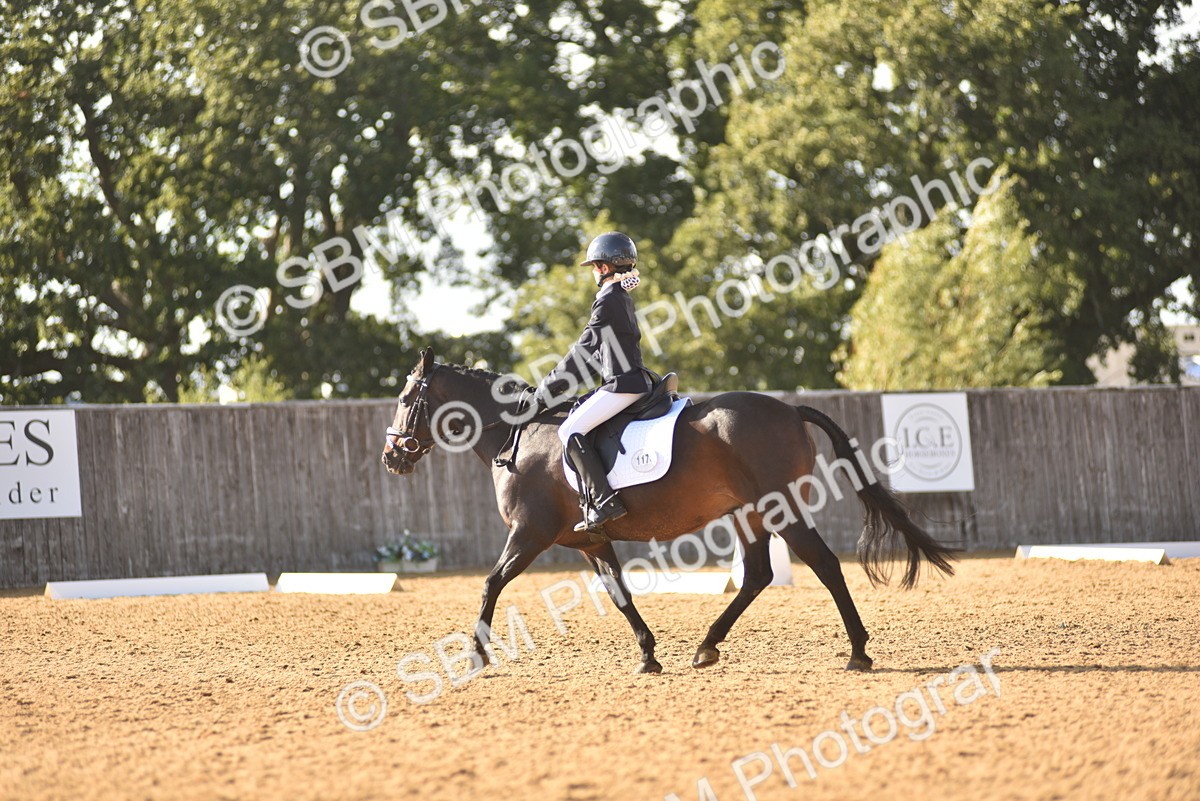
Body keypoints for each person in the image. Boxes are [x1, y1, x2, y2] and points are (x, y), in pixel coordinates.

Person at [534, 231, 653, 536]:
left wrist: (546, 390)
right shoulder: (621, 297)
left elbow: (583, 351)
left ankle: (604, 501)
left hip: (624, 384)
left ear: (602, 267)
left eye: (594, 267)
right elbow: (599, 354)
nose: (593, 272)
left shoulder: (608, 300)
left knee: (569, 430)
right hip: (631, 379)